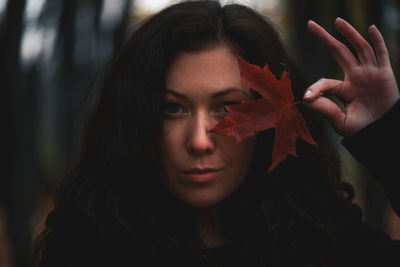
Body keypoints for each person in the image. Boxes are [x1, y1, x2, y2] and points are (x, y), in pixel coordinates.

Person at [33, 1, 400, 267]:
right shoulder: (90, 248)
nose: (199, 141)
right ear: (135, 120)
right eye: (172, 108)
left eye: (228, 107)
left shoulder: (327, 243)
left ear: (272, 120)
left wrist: (387, 141)